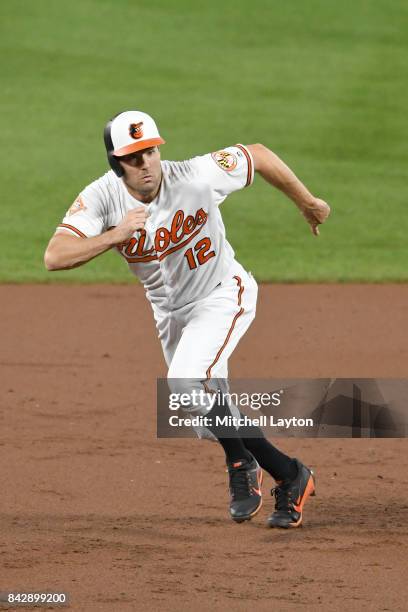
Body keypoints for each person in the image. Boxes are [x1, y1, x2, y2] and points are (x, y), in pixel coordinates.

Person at [44, 110, 330, 528]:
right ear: (115, 162)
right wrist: (112, 236)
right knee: (205, 415)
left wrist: (308, 202)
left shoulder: (195, 175)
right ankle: (272, 468)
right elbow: (54, 256)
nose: (145, 164)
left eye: (150, 152)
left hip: (222, 295)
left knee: (184, 384)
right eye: (133, 157)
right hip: (172, 315)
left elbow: (259, 155)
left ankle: (258, 468)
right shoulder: (102, 198)